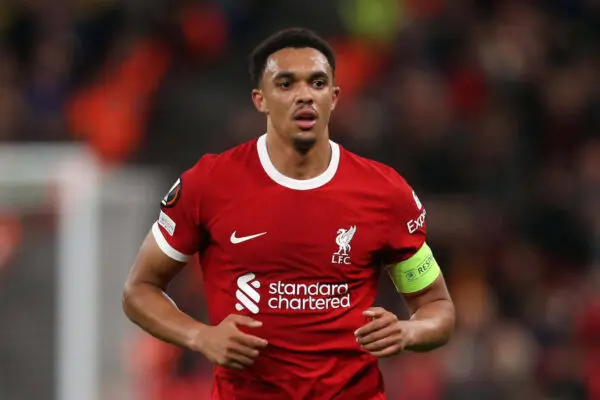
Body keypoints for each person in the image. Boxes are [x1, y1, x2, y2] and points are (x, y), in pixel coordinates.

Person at [123, 27, 455, 400]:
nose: (304, 95)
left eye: (317, 83)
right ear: (260, 99)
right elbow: (139, 290)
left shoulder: (385, 192)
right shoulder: (209, 184)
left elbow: (436, 307)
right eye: (286, 84)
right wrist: (200, 336)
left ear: (334, 97)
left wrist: (408, 332)